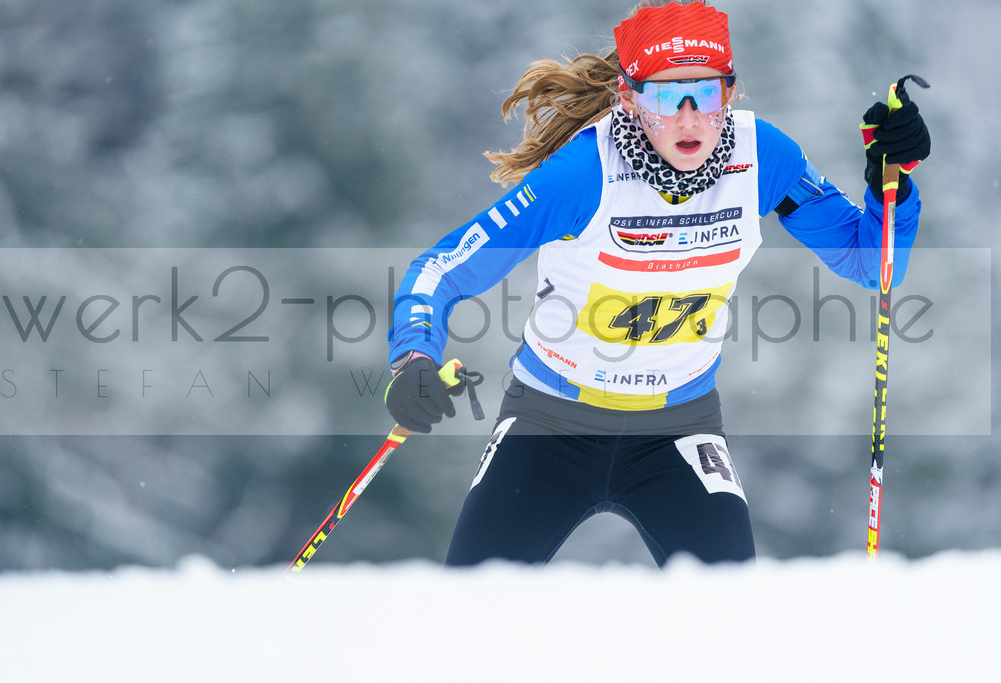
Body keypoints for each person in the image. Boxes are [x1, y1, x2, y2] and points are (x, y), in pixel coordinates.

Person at [383, 0, 930, 567]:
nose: (690, 120)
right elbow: (442, 269)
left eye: (708, 93)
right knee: (470, 614)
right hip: (548, 424)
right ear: (630, 98)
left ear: (732, 92)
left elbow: (870, 262)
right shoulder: (584, 176)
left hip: (680, 430)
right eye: (668, 97)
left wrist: (891, 181)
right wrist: (414, 357)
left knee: (732, 616)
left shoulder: (762, 158)